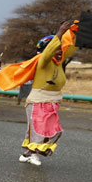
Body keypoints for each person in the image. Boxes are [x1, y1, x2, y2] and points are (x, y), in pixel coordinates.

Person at [19, 21, 76, 166]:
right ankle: (32, 154)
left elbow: (69, 49)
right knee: (38, 131)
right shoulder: (42, 62)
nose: (59, 52)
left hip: (52, 102)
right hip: (38, 102)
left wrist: (76, 33)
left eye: (60, 50)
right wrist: (60, 33)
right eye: (55, 49)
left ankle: (27, 154)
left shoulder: (58, 62)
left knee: (53, 130)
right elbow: (47, 53)